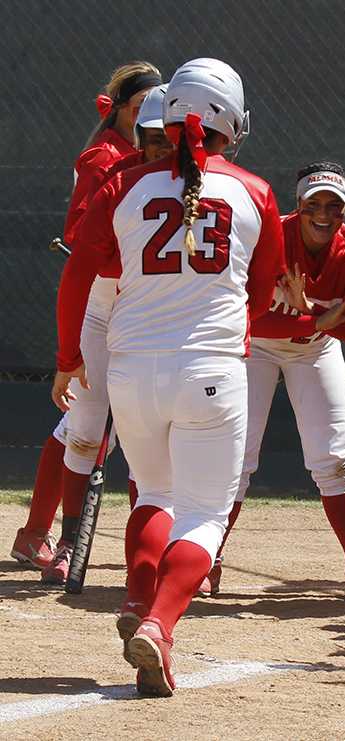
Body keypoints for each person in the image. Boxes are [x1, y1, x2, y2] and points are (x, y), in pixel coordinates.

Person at [52, 58, 285, 697]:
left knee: (153, 493)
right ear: (228, 122)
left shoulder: (121, 185)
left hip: (131, 368)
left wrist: (68, 355)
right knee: (206, 514)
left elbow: (78, 276)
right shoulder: (254, 191)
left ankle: (139, 595)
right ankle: (158, 623)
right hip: (211, 367)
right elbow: (262, 292)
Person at [11, 62, 162, 577]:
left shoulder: (154, 157)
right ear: (118, 109)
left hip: (144, 297)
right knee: (86, 425)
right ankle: (47, 537)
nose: (150, 120)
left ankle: (38, 534)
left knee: (92, 425)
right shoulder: (106, 157)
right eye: (140, 109)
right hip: (106, 294)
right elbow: (82, 233)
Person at [206, 161, 345, 600]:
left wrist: (311, 322)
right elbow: (251, 320)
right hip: (260, 348)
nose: (324, 214)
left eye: (334, 206)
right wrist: (316, 318)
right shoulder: (272, 239)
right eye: (313, 205)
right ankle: (211, 556)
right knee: (237, 456)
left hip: (315, 349)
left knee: (333, 456)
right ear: (298, 206)